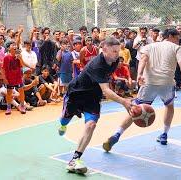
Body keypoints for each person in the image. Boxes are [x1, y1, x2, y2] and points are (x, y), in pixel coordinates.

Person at [103, 28, 181, 152]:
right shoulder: (176, 48)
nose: (179, 40)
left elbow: (143, 60)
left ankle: (117, 134)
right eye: (177, 37)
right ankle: (164, 134)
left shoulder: (151, 46)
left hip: (149, 82)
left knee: (135, 109)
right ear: (171, 36)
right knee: (169, 106)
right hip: (167, 83)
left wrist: (139, 74)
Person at [57, 38, 133, 174]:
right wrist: (124, 101)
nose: (117, 54)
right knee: (64, 120)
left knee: (91, 124)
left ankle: (75, 159)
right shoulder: (97, 64)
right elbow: (106, 90)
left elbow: (105, 84)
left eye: (118, 51)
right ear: (104, 50)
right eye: (114, 51)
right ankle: (63, 124)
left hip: (93, 97)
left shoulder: (114, 61)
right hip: (76, 93)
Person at [2, 41, 29, 115]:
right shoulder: (6, 57)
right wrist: (4, 78)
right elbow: (3, 69)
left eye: (15, 45)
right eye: (12, 45)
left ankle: (22, 106)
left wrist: (20, 58)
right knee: (9, 93)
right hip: (9, 78)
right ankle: (8, 108)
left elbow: (23, 65)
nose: (14, 46)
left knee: (21, 91)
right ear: (8, 48)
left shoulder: (18, 56)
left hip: (18, 77)